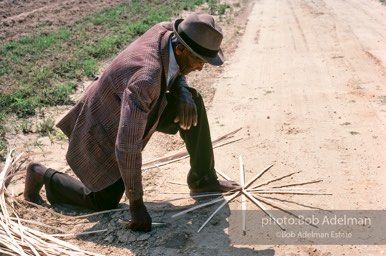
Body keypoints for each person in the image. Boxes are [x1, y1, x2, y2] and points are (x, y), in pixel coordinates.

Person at [24, 12, 239, 232]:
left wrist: (183, 92)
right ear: (181, 48)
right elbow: (127, 146)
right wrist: (136, 203)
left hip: (141, 104)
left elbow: (174, 71)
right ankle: (41, 174)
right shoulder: (146, 78)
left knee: (192, 102)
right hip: (104, 123)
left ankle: (203, 179)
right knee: (103, 201)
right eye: (199, 61)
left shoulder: (168, 32)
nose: (200, 68)